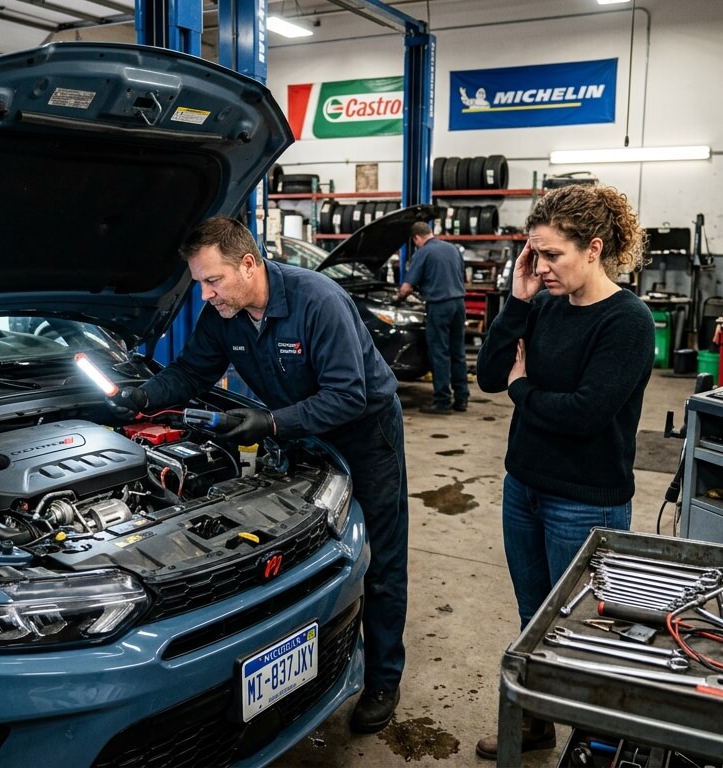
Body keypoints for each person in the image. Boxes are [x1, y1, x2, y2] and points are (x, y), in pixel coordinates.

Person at [112, 216, 411, 734]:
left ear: (249, 264)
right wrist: (140, 398)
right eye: (200, 283)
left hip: (367, 437)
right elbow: (189, 373)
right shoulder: (226, 314)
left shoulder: (318, 300)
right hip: (298, 431)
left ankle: (384, 678)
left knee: (380, 559)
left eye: (214, 280)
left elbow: (348, 395)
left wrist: (271, 422)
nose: (205, 295)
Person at [472, 185, 654, 760]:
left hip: (584, 500)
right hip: (522, 486)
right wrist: (519, 300)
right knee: (534, 619)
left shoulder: (627, 321)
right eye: (535, 254)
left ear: (595, 248)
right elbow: (488, 375)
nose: (542, 266)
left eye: (552, 256)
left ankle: (590, 745)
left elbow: (584, 414)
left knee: (582, 633)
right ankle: (537, 722)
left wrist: (524, 389)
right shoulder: (543, 304)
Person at [396, 221, 469, 414]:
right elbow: (462, 276)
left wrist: (397, 298)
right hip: (459, 304)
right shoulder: (452, 249)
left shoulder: (423, 252)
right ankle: (462, 398)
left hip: (439, 305)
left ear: (416, 238)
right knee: (457, 352)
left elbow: (407, 287)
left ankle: (442, 401)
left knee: (439, 353)